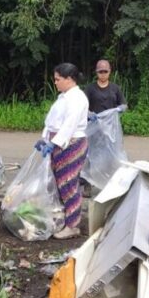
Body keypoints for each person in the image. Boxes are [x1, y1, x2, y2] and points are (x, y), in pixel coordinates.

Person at [35, 63, 89, 239]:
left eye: (58, 79)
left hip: (70, 144)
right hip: (58, 143)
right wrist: (44, 139)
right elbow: (52, 121)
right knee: (59, 183)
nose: (55, 82)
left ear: (69, 79)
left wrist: (55, 142)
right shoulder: (63, 97)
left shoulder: (77, 98)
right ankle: (61, 217)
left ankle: (73, 225)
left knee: (68, 183)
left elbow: (69, 124)